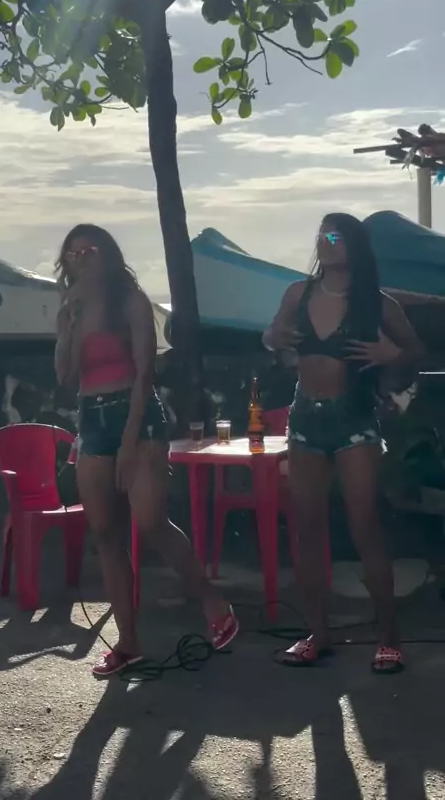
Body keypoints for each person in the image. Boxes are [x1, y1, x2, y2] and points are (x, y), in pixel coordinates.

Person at [55, 224, 238, 677]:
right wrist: (68, 325)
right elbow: (64, 376)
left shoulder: (131, 301)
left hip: (135, 414)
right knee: (106, 533)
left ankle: (213, 602)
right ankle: (129, 642)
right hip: (91, 417)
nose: (82, 259)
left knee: (150, 520)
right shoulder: (72, 308)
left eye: (90, 250)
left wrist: (129, 440)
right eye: (73, 254)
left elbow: (144, 374)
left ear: (107, 254)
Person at [263, 213, 423, 673]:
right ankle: (317, 633)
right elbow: (271, 336)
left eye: (335, 235)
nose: (326, 241)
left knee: (364, 525)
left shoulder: (377, 303)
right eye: (322, 235)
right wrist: (274, 337)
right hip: (305, 421)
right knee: (308, 529)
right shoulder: (299, 293)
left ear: (354, 245)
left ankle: (388, 637)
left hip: (354, 419)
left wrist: (393, 354)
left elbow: (415, 353)